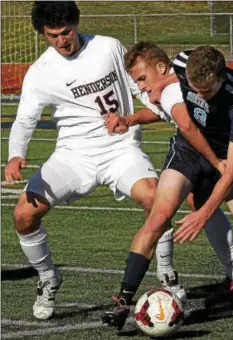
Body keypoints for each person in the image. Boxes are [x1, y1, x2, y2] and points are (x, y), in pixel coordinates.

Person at [4, 1, 188, 320]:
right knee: (23, 214)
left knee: (157, 199)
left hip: (121, 150)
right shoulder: (40, 72)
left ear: (77, 24)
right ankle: (48, 279)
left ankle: (167, 274)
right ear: (43, 35)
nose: (62, 40)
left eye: (66, 31)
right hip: (73, 157)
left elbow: (140, 87)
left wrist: (165, 107)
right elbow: (24, 120)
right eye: (52, 35)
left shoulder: (108, 47)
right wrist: (15, 155)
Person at [102, 43, 233, 329]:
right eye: (195, 91)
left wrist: (203, 213)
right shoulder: (184, 65)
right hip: (190, 153)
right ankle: (123, 302)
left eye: (206, 92)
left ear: (220, 80)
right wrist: (131, 118)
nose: (200, 97)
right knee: (159, 216)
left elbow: (231, 166)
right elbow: (178, 119)